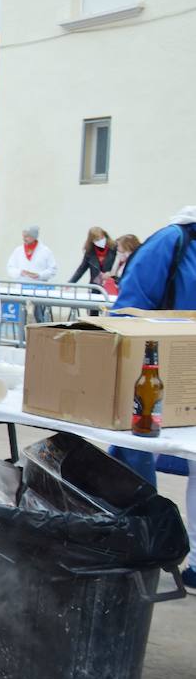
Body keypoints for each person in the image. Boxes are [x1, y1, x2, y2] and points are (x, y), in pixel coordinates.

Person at [111, 206, 196, 587]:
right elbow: (129, 308)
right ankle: (135, 543)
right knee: (135, 451)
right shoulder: (174, 241)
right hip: (163, 371)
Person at [6, 225, 58, 322]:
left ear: (34, 237)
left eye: (27, 236)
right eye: (23, 236)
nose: (24, 238)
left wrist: (39, 275)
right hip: (22, 288)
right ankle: (22, 335)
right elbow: (10, 267)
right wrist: (20, 272)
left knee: (40, 316)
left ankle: (40, 334)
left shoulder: (45, 251)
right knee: (21, 315)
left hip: (39, 288)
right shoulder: (18, 250)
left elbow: (53, 270)